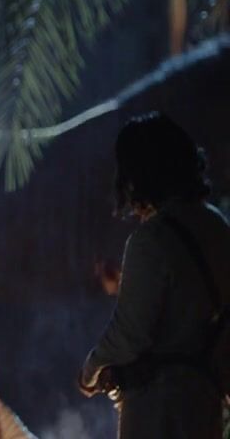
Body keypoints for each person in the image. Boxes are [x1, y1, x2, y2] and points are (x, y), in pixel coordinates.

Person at [79, 112, 229, 438]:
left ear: (137, 177)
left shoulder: (152, 238)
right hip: (206, 404)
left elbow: (129, 336)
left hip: (160, 410)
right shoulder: (217, 225)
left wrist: (90, 371)